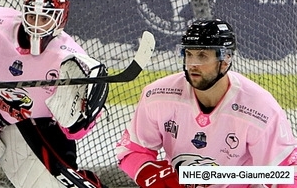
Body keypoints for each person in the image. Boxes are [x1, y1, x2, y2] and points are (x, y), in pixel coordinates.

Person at [116, 19, 297, 188]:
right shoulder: (158, 95)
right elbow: (131, 150)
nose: (192, 64)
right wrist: (150, 173)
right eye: (188, 54)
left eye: (202, 55)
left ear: (225, 60)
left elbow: (286, 173)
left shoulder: (259, 109)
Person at [0, 0, 110, 188]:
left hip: (33, 126)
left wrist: (84, 119)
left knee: (49, 183)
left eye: (45, 19)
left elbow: (72, 130)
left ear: (59, 21)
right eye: (32, 17)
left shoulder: (70, 61)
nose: (36, 25)